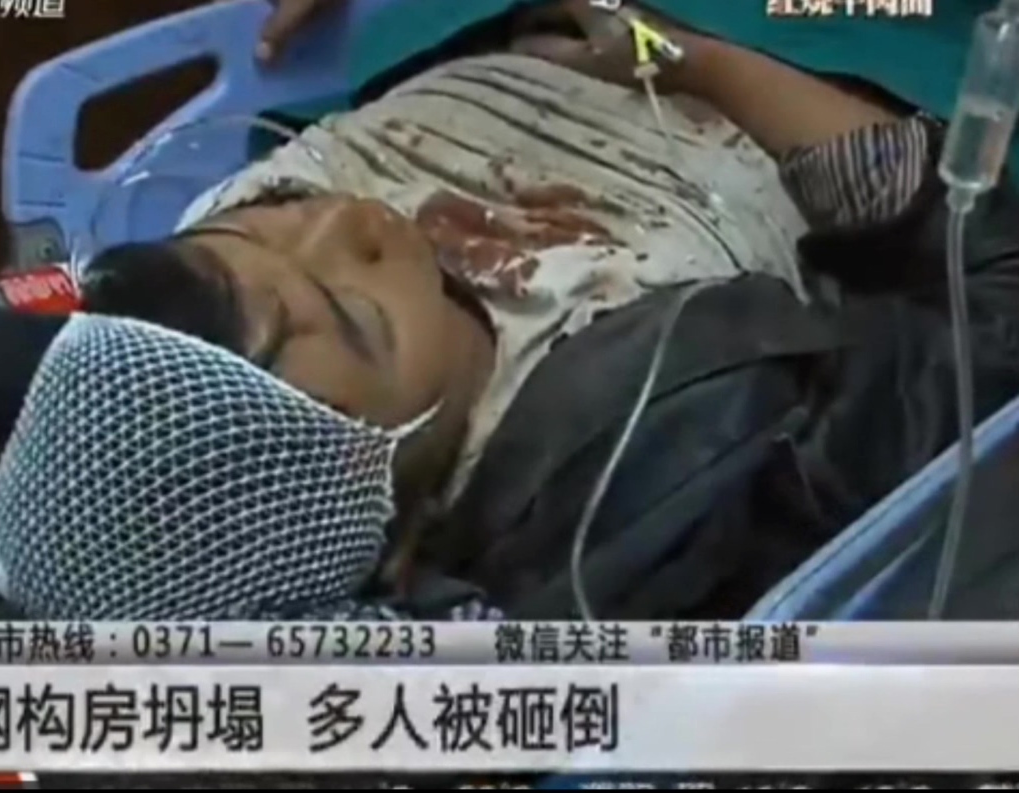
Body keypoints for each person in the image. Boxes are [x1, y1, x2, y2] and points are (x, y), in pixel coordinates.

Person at [74, 0, 1019, 617]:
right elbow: (994, 315)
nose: (355, 218)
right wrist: (698, 65)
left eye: (272, 213)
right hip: (846, 52)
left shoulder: (196, 314)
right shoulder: (671, 445)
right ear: (401, 545)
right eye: (359, 316)